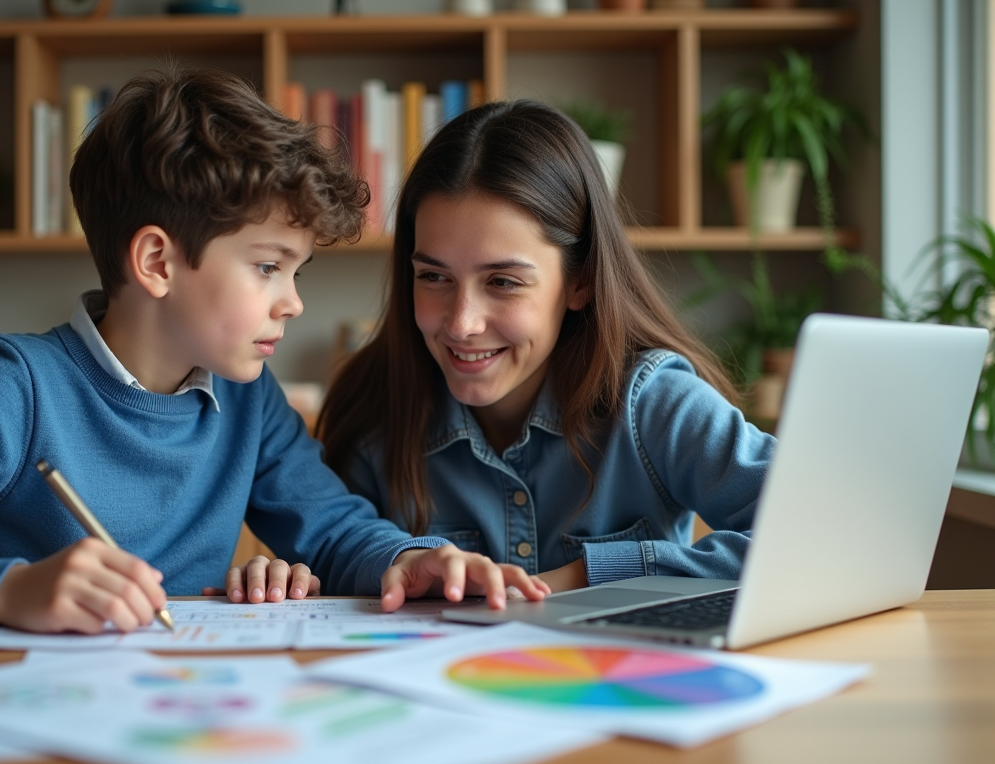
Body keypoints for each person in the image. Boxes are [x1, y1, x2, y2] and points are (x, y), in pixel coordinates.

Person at [0, 67, 548, 634]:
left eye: (297, 272)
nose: (293, 302)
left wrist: (408, 559)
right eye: (267, 267)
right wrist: (6, 591)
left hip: (179, 701)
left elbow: (333, 529)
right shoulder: (18, 388)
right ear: (157, 262)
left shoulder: (247, 397)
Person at [315, 100, 775, 593]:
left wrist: (588, 575)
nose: (462, 324)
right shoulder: (372, 409)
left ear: (581, 280)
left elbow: (815, 531)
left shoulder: (655, 404)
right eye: (433, 276)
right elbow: (331, 558)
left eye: (503, 282)